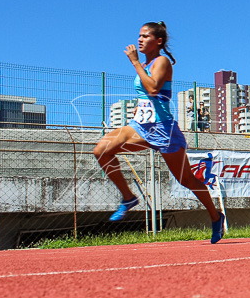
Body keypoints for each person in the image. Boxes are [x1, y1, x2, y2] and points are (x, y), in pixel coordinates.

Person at [92, 22, 226, 243]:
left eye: (145, 36)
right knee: (101, 151)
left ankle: (215, 216)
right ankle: (128, 198)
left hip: (163, 129)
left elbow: (153, 88)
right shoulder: (146, 64)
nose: (140, 40)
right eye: (139, 36)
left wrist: (135, 63)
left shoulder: (161, 62)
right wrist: (137, 112)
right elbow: (145, 96)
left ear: (159, 41)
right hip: (140, 127)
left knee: (187, 180)